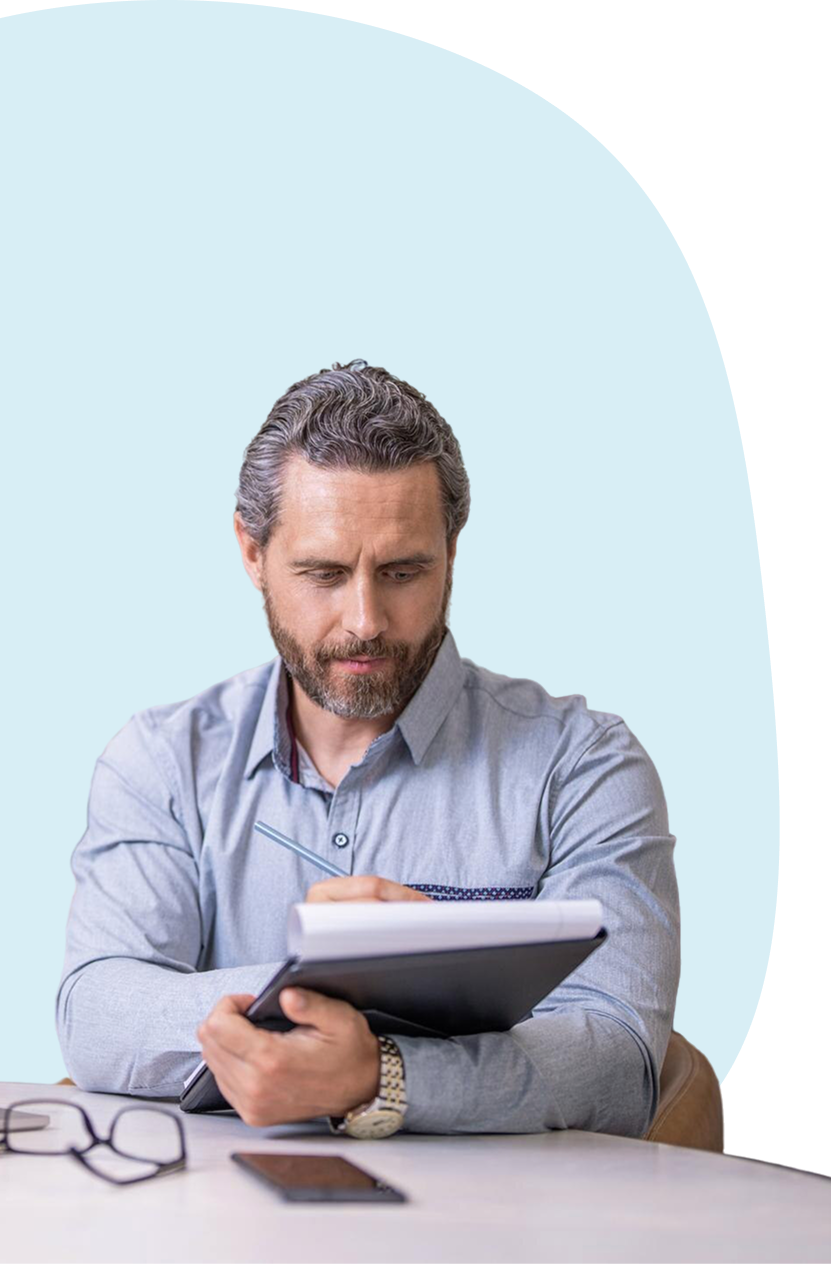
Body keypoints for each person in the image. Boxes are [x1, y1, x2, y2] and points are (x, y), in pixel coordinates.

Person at [54, 359, 679, 1138]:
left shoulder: (582, 767)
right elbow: (99, 1010)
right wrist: (332, 999)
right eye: (322, 572)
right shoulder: (162, 761)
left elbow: (619, 1061)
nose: (364, 620)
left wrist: (380, 1074)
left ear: (453, 548)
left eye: (403, 571)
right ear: (252, 553)